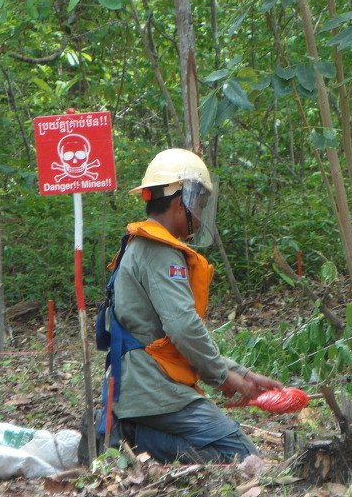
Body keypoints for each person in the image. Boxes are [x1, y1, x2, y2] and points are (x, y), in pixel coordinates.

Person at [109, 148, 282, 464]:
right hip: (155, 390)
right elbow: (183, 326)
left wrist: (241, 372)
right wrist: (223, 376)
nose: (201, 214)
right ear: (180, 202)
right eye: (200, 204)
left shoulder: (142, 247)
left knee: (232, 452)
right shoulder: (160, 250)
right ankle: (133, 437)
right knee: (242, 456)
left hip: (145, 386)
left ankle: (136, 436)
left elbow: (165, 338)